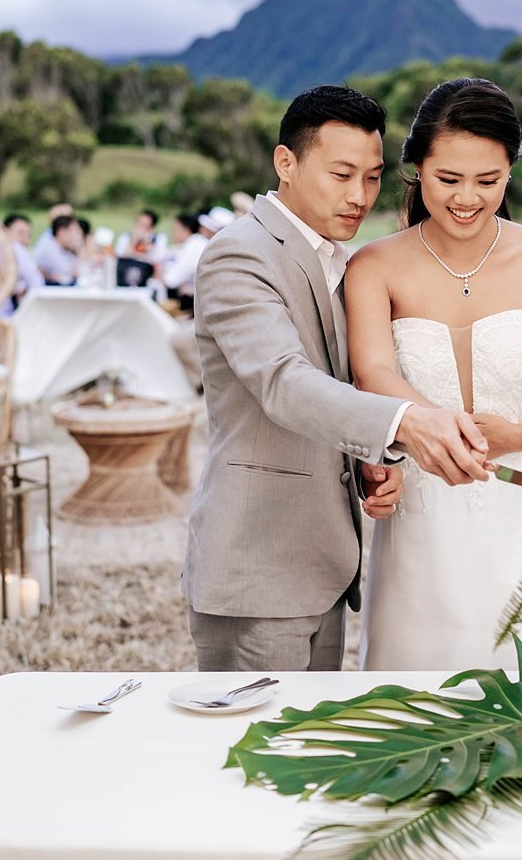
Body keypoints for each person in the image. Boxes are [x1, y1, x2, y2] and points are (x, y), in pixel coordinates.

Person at [184, 85, 491, 674]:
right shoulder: (239, 255)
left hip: (324, 564)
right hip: (258, 566)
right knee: (256, 757)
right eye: (341, 174)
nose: (359, 197)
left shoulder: (341, 260)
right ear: (286, 163)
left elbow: (336, 392)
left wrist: (373, 460)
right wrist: (404, 423)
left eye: (373, 178)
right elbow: (283, 382)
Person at [345, 77, 522, 672]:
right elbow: (371, 372)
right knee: (426, 706)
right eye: (449, 179)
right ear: (417, 169)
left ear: (511, 173)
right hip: (423, 513)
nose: (467, 197)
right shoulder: (373, 266)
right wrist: (435, 429)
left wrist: (521, 435)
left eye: (488, 181)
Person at [0, 213, 46, 317]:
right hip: (2, 317)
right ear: (5, 231)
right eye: (20, 233)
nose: (25, 239)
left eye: (28, 235)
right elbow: (37, 285)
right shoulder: (16, 249)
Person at [161, 212, 207, 312]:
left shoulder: (193, 245)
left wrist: (160, 275)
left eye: (175, 229)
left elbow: (171, 279)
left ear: (186, 230)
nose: (173, 233)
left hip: (198, 300)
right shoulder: (198, 241)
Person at [33, 214, 82, 285]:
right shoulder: (49, 247)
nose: (78, 235)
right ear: (62, 232)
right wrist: (79, 247)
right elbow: (72, 273)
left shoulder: (64, 248)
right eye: (75, 231)